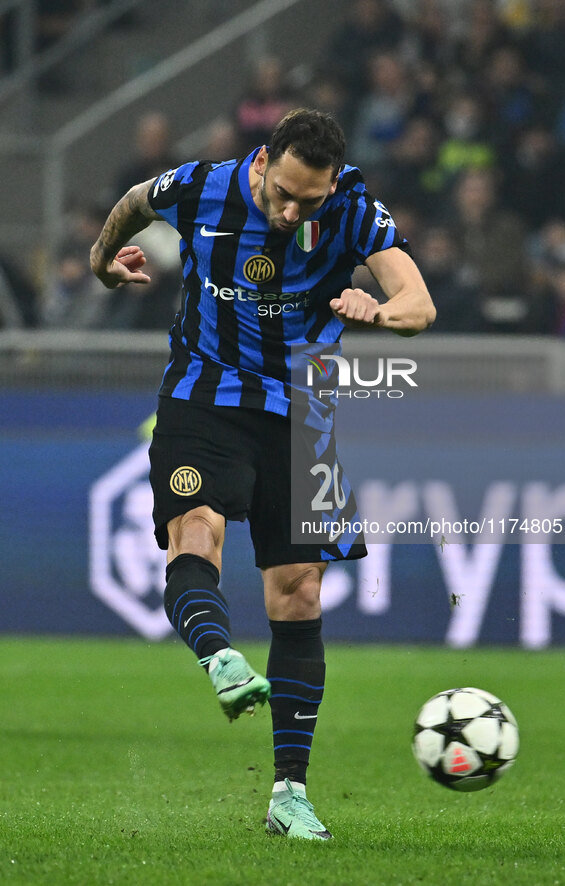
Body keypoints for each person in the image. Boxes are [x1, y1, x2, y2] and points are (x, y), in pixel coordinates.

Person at [90, 108, 435, 840]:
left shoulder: (352, 210)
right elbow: (132, 202)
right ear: (260, 163)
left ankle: (288, 795)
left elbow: (419, 303)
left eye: (306, 200)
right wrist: (102, 260)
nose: (289, 211)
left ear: (331, 183)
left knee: (300, 591)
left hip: (300, 408)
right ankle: (218, 658)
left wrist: (379, 309)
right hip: (200, 397)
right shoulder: (206, 185)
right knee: (196, 532)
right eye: (281, 192)